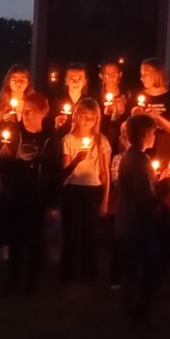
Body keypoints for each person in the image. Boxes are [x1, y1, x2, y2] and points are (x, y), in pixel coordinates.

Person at [112, 112, 167, 324]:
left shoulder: (129, 156)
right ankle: (138, 312)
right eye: (153, 132)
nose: (155, 136)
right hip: (138, 226)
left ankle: (131, 308)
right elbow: (144, 198)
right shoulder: (140, 160)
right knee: (144, 270)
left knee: (132, 270)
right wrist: (164, 188)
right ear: (144, 134)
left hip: (127, 224)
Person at [0, 91, 52, 294]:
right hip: (16, 195)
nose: (25, 115)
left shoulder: (50, 138)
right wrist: (4, 158)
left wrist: (53, 201)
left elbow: (54, 169)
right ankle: (13, 281)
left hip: (38, 196)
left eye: (30, 111)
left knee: (35, 241)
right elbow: (3, 168)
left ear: (43, 112)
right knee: (16, 239)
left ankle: (31, 283)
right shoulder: (14, 133)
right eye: (23, 110)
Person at [55, 96, 111, 289]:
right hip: (72, 190)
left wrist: (105, 200)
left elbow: (105, 173)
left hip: (93, 191)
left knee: (91, 233)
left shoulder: (102, 141)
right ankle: (67, 273)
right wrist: (77, 160)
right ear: (76, 116)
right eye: (84, 116)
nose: (88, 121)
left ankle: (89, 273)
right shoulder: (68, 140)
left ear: (97, 119)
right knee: (70, 233)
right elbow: (64, 172)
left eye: (92, 117)